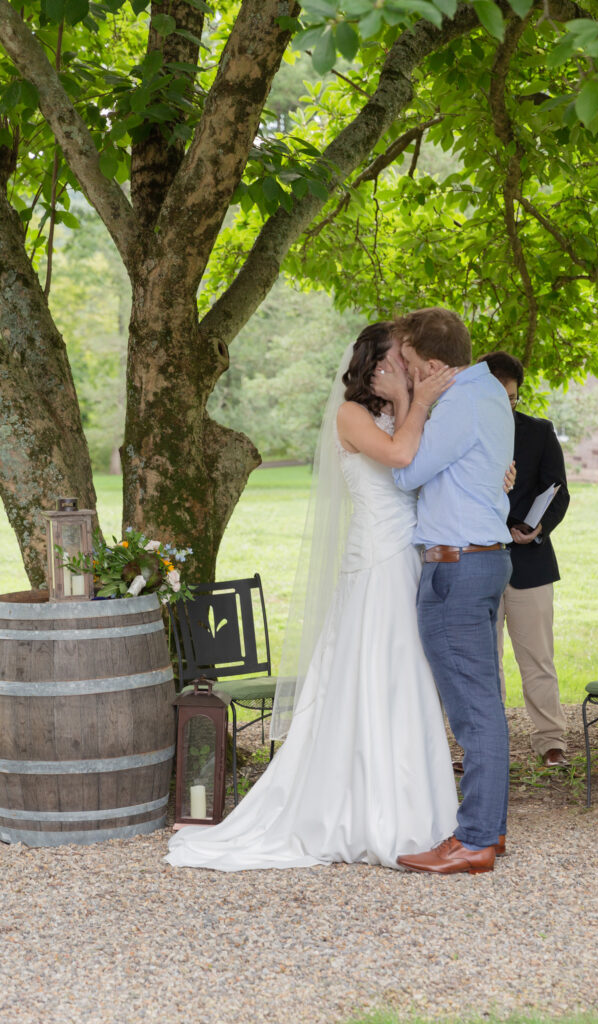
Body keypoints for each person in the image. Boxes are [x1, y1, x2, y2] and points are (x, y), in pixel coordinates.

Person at [165, 323, 460, 871]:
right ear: (375, 365)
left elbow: (425, 470)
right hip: (375, 558)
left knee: (406, 673)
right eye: (400, 359)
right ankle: (356, 813)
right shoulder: (352, 415)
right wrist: (414, 401)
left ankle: (418, 808)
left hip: (408, 556)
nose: (410, 369)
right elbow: (398, 458)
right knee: (371, 669)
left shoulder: (405, 412)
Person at [391, 308, 514, 876]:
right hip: (482, 561)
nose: (408, 373)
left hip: (456, 568)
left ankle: (475, 840)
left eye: (411, 365)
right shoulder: (487, 390)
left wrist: (411, 408)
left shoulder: (459, 403)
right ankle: (491, 828)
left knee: (473, 710)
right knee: (482, 700)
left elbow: (406, 473)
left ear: (434, 365)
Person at [478, 351, 570, 767]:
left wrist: (538, 529)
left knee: (538, 658)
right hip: (477, 562)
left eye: (513, 398)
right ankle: (483, 747)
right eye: (500, 397)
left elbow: (558, 491)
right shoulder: (463, 432)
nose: (508, 405)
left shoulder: (539, 431)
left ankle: (551, 740)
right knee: (483, 663)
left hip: (529, 562)